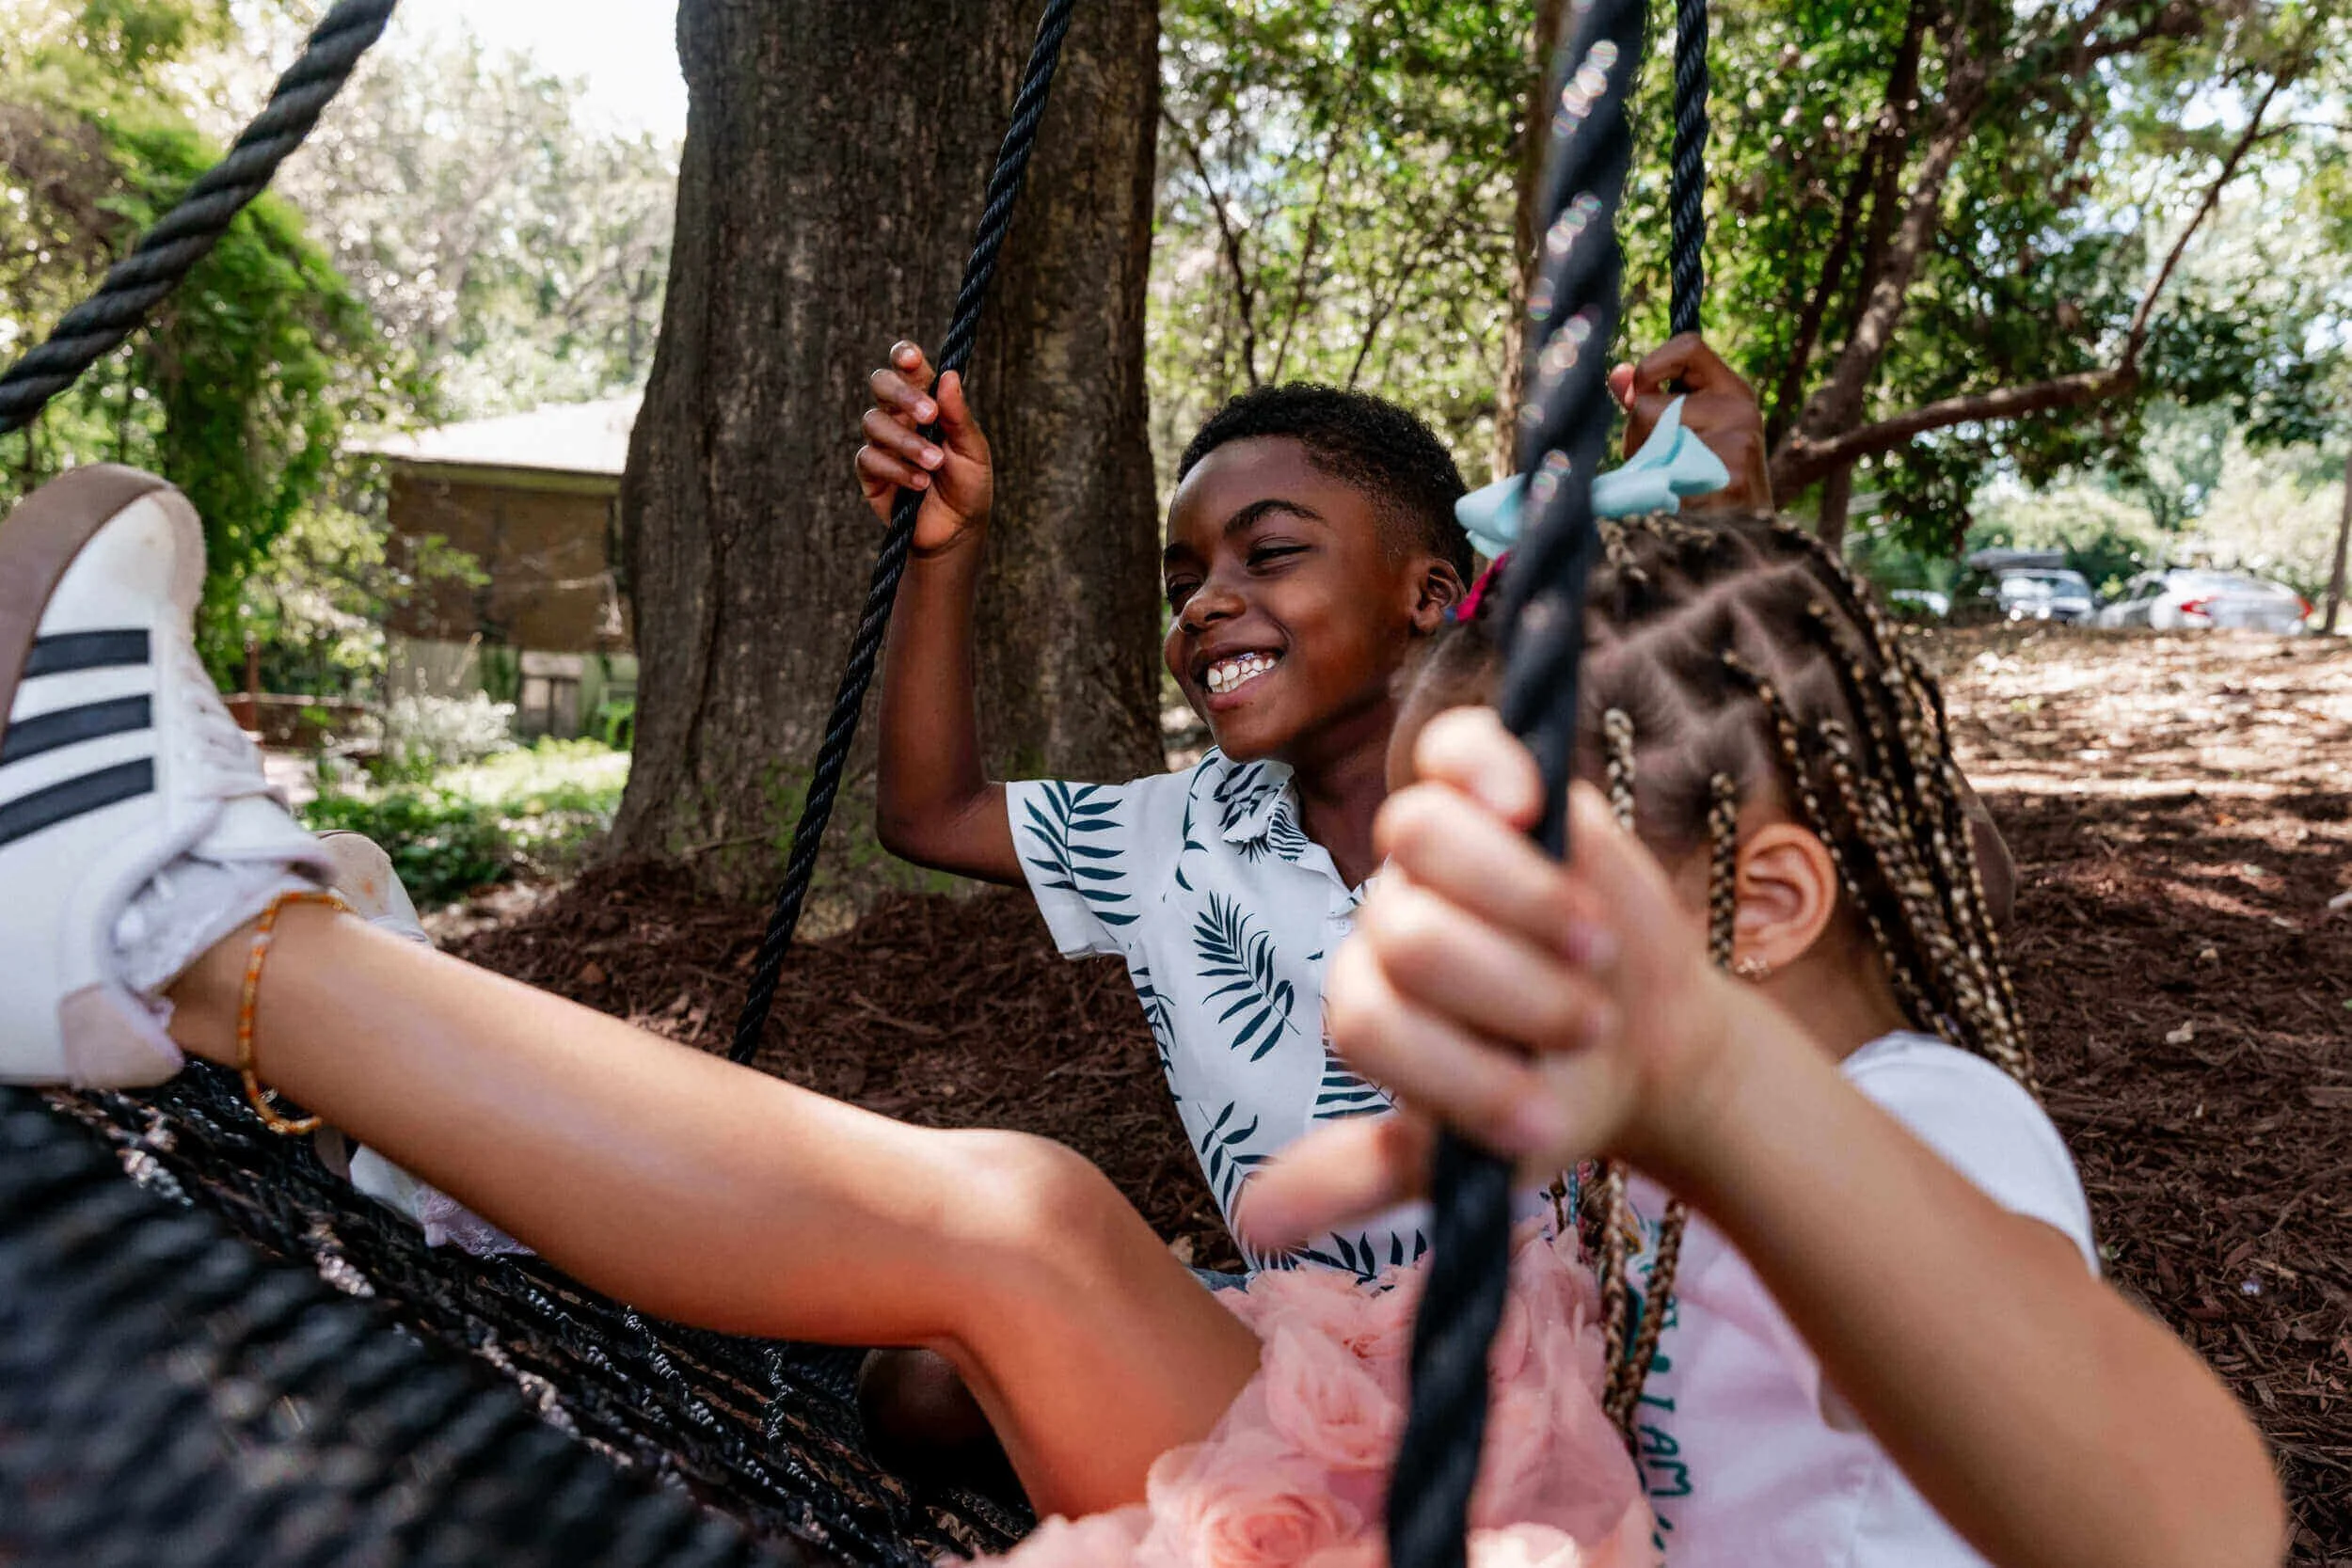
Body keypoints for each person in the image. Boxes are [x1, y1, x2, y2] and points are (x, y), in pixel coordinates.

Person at [0, 476, 2278, 1567]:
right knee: (1028, 1223)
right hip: (1464, 1493)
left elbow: (2168, 1528)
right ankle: (314, 1033)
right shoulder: (1643, 1110)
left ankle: (179, 927)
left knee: (1013, 1236)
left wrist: (1703, 1090)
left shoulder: (1932, 1122)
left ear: (1756, 906)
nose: (1409, 902)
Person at [855, 335, 1774, 1281]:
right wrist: (947, 553)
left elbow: (1756, 814)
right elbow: (932, 812)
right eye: (1183, 586)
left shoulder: (1563, 796)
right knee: (935, 1366)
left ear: (1427, 595)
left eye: (1271, 552)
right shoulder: (1177, 838)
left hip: (1573, 1360)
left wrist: (1731, 529)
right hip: (1298, 1354)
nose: (1205, 605)